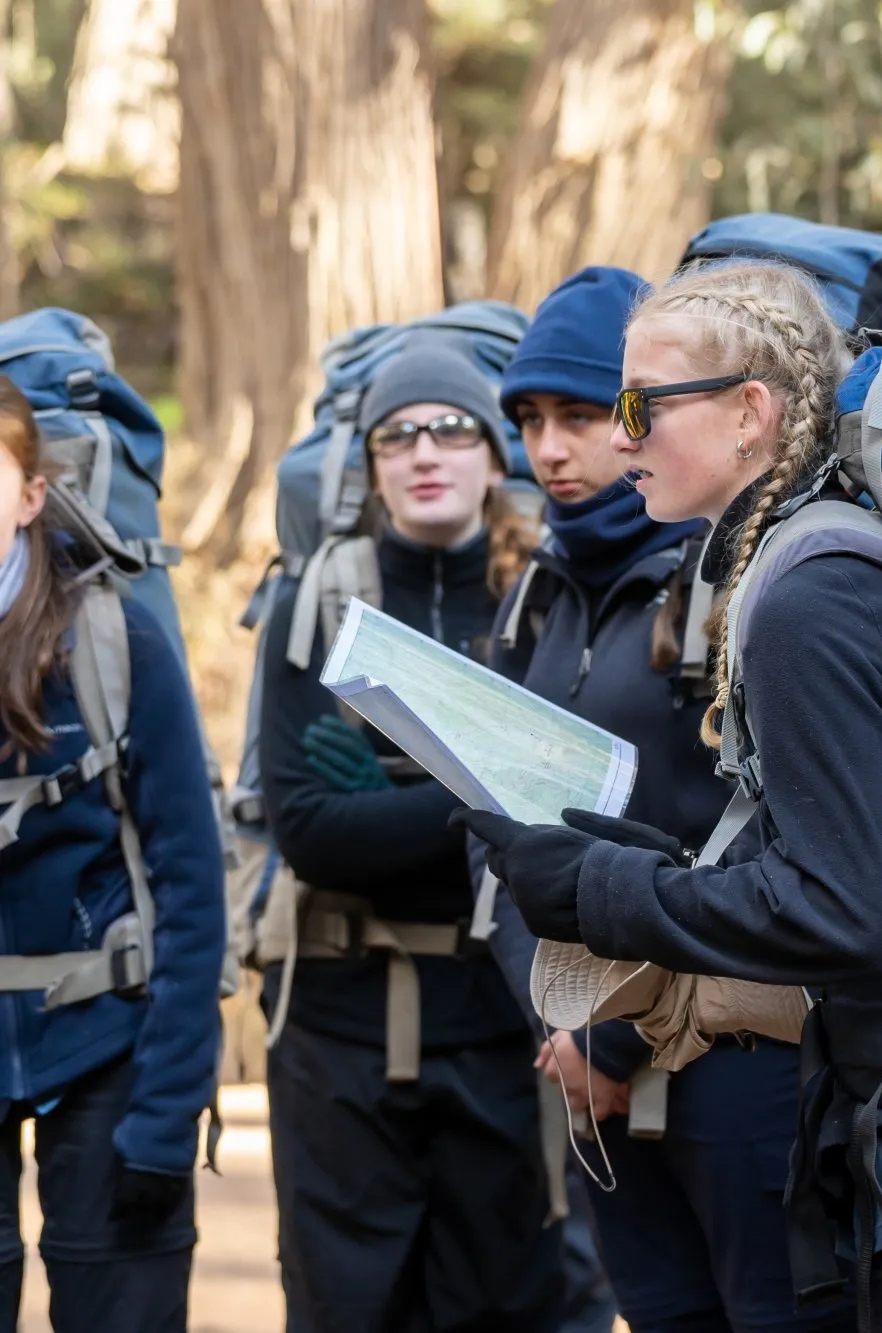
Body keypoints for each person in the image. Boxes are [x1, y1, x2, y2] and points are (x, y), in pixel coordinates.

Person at [459, 259, 882, 1333]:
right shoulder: (826, 560)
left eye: (638, 405)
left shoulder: (807, 596)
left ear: (750, 413)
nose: (620, 438)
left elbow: (843, 910)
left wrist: (609, 891)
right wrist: (646, 868)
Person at [482, 263, 853, 1333]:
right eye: (529, 420)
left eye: (589, 413)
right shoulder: (541, 590)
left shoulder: (740, 578)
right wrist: (559, 1023)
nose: (553, 449)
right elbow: (512, 824)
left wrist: (612, 1037)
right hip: (583, 1058)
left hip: (734, 1064)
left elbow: (758, 838)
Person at [256, 339, 563, 1332]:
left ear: (491, 454)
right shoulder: (315, 603)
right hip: (336, 1033)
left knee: (504, 1306)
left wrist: (397, 801)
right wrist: (487, 798)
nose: (425, 450)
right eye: (398, 434)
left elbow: (569, 815)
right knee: (343, 1310)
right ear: (372, 462)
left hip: (504, 1029)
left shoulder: (545, 603)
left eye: (450, 429)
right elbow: (310, 832)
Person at [0, 375, 225, 1332]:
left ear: (30, 493)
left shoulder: (112, 637)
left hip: (109, 1042)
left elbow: (190, 880)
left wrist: (167, 1115)